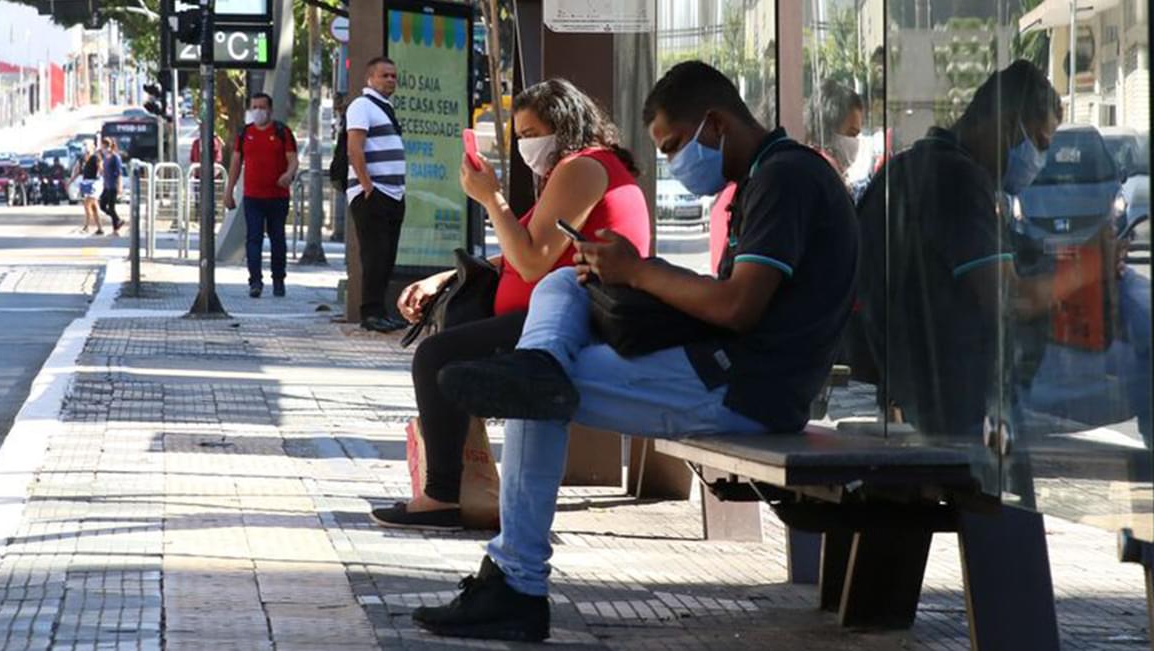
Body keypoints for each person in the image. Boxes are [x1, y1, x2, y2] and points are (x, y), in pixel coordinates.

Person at [416, 61, 861, 642]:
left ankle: (516, 585)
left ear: (717, 123)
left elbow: (738, 308)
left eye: (676, 145)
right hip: (722, 366)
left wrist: (642, 272)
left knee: (532, 394)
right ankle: (541, 363)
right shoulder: (766, 177)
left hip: (745, 386)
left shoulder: (786, 179)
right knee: (560, 290)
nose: (676, 162)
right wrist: (623, 271)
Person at [371, 79, 651, 531]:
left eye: (532, 132)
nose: (526, 145)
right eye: (519, 136)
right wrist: (444, 276)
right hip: (550, 314)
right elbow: (524, 249)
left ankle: (442, 494)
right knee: (448, 346)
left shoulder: (583, 168)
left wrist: (491, 198)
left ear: (564, 125)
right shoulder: (576, 169)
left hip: (574, 320)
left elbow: (533, 261)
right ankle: (455, 487)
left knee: (437, 356)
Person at [855, 59, 1061, 443]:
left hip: (910, 395)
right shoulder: (958, 180)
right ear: (1007, 123)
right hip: (955, 406)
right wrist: (1090, 265)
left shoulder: (905, 169)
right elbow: (1008, 297)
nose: (1038, 159)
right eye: (1039, 142)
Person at [346, 57, 408, 332]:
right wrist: (367, 185)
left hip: (393, 193)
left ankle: (380, 310)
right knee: (374, 255)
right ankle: (369, 313)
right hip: (374, 193)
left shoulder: (385, 108)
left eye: (394, 76)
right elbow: (354, 148)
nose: (391, 80)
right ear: (370, 78)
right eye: (385, 75)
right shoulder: (362, 105)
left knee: (386, 256)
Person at [223, 93, 299, 298]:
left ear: (270, 110)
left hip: (278, 196)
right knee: (253, 239)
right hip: (253, 197)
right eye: (254, 107)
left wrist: (288, 174)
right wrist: (229, 191)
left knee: (277, 239)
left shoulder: (282, 132)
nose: (258, 111)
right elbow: (236, 164)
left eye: (261, 107)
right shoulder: (244, 134)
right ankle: (255, 281)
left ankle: (278, 280)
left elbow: (293, 159)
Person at [73, 149, 103, 235]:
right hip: (87, 185)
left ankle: (86, 227)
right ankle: (100, 228)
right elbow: (77, 172)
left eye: (88, 152)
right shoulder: (83, 161)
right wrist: (70, 181)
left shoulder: (95, 158)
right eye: (86, 152)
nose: (86, 154)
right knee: (94, 207)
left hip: (93, 185)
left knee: (87, 204)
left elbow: (101, 169)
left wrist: (101, 175)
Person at [98, 138, 124, 235]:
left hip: (113, 185)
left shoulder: (115, 157)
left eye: (102, 145)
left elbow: (119, 173)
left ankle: (115, 228)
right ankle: (117, 220)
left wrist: (119, 186)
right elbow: (104, 171)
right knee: (102, 205)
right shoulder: (105, 157)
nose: (102, 148)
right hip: (107, 185)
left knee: (112, 207)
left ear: (106, 145)